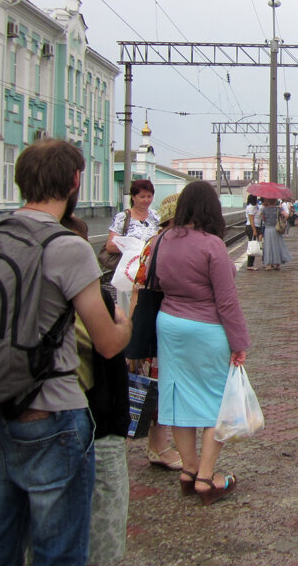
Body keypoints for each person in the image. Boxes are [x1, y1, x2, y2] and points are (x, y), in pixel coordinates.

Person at [0, 138, 131, 565]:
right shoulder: (68, 247)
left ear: (22, 180)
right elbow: (107, 344)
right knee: (58, 551)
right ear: (76, 181)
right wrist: (125, 319)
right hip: (54, 416)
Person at [154, 180, 249, 505]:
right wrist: (239, 342)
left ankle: (189, 471)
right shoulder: (212, 245)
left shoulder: (163, 239)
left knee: (179, 398)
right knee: (214, 403)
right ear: (212, 210)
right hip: (205, 329)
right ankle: (207, 478)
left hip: (169, 326)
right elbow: (227, 302)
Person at [62, 214, 131, 566]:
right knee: (101, 508)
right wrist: (124, 325)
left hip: (14, 413)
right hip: (86, 418)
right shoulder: (94, 294)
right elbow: (108, 347)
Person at [134, 193, 183, 473]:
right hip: (159, 322)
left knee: (158, 383)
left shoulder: (153, 241)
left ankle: (159, 444)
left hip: (150, 320)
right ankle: (158, 447)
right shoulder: (164, 244)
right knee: (159, 384)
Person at [260, 197, 291, 270]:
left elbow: (263, 219)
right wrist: (283, 220)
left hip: (268, 230)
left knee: (268, 247)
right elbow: (286, 215)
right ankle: (278, 265)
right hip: (276, 229)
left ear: (267, 200)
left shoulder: (264, 209)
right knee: (277, 246)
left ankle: (269, 265)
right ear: (275, 201)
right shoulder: (278, 209)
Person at [244, 194, 260, 271]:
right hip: (251, 227)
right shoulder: (251, 207)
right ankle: (250, 264)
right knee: (252, 245)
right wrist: (254, 230)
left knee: (252, 244)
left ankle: (250, 264)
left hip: (251, 227)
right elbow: (251, 219)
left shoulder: (253, 207)